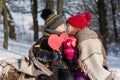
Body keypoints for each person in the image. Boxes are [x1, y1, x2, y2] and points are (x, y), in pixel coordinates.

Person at [66, 12, 115, 80]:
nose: (66, 28)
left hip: (86, 73)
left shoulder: (85, 39)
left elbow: (89, 59)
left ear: (75, 26)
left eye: (68, 25)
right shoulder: (78, 38)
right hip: (81, 72)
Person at [32, 9, 74, 80]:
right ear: (53, 27)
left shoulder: (64, 38)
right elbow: (36, 52)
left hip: (63, 66)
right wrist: (51, 56)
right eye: (60, 26)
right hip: (48, 67)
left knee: (69, 77)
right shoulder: (45, 39)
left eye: (63, 25)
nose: (64, 27)